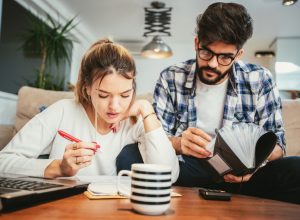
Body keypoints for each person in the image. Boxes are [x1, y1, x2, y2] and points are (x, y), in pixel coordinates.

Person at [152, 2, 300, 204]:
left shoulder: (260, 79)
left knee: (296, 169)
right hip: (189, 168)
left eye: (224, 57)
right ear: (197, 43)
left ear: (238, 55)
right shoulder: (171, 77)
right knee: (129, 156)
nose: (212, 63)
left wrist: (255, 164)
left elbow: (279, 145)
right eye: (206, 52)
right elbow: (155, 137)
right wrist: (178, 144)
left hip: (246, 176)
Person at [0, 39, 179, 183]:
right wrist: (58, 168)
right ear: (87, 88)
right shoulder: (63, 111)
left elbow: (168, 175)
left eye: (125, 95)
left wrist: (146, 109)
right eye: (103, 95)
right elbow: (3, 161)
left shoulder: (134, 121)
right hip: (63, 209)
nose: (115, 107)